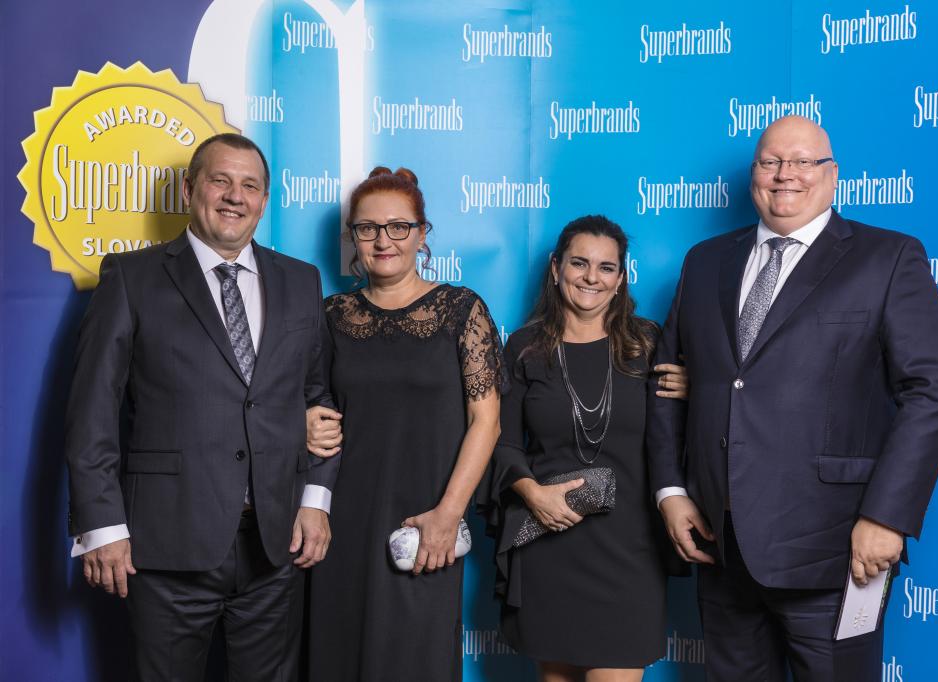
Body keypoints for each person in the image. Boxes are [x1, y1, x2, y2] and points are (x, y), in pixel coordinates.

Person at [646, 115, 938, 681]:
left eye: (802, 161)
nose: (784, 174)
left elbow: (931, 395)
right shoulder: (705, 261)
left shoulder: (887, 258)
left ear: (832, 174)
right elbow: (670, 382)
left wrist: (886, 517)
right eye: (770, 161)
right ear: (753, 175)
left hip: (836, 548)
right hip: (722, 543)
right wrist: (671, 490)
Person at [64, 133, 342, 681]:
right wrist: (102, 527)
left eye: (250, 186)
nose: (235, 196)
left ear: (264, 200)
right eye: (221, 181)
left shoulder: (300, 280)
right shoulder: (131, 278)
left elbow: (317, 398)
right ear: (190, 188)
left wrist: (316, 498)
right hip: (165, 546)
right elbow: (92, 413)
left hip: (274, 545)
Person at [305, 166, 504, 682]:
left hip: (424, 522)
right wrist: (304, 422)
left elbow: (486, 423)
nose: (383, 240)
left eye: (398, 226)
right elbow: (308, 401)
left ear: (422, 233)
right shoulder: (331, 315)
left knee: (416, 660)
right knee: (339, 658)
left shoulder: (460, 310)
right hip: (342, 522)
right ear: (352, 238)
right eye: (367, 228)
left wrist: (448, 515)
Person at [484, 215, 687, 682]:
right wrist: (533, 494)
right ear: (556, 268)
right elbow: (503, 441)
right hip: (549, 540)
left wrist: (698, 387)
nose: (591, 277)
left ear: (621, 278)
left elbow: (681, 432)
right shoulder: (525, 347)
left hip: (630, 550)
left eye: (606, 267)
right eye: (579, 263)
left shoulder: (648, 344)